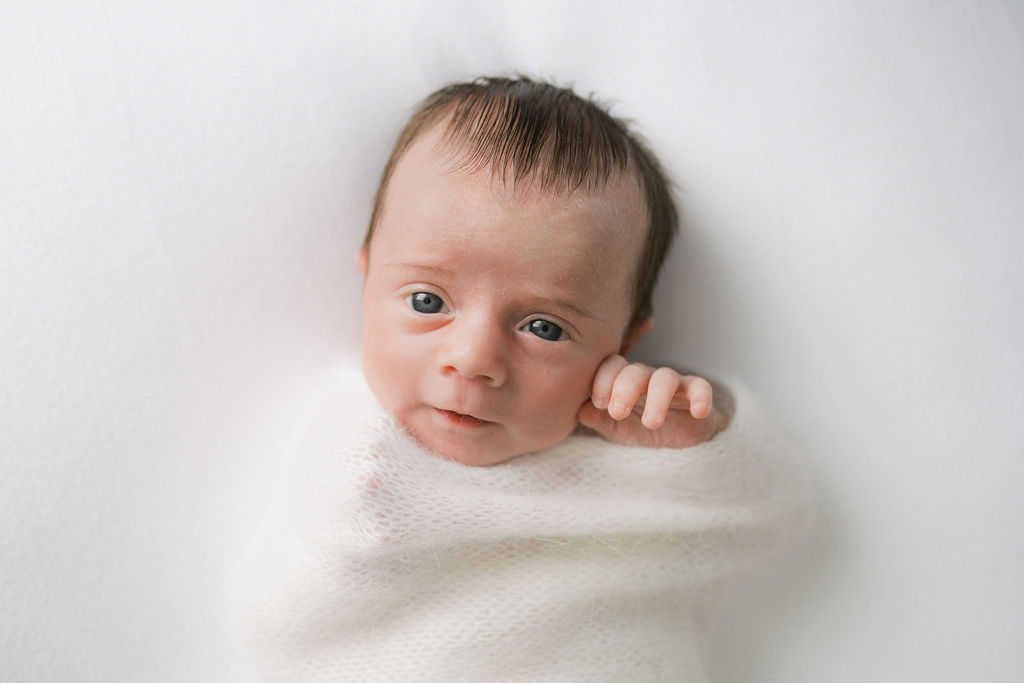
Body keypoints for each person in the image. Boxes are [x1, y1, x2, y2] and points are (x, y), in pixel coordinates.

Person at [238, 76, 811, 682]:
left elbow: (772, 517)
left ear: (621, 344)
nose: (474, 358)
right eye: (429, 302)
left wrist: (698, 454)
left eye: (544, 328)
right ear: (368, 282)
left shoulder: (625, 453)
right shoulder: (353, 442)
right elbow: (282, 620)